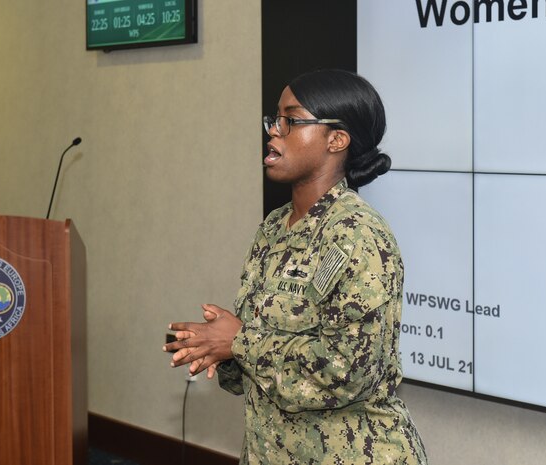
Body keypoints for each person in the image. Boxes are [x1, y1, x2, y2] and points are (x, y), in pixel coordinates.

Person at [164, 69, 428, 465]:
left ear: (336, 139)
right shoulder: (274, 226)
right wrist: (219, 347)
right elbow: (265, 352)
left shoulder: (358, 235)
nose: (273, 131)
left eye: (292, 121)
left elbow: (348, 371)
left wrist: (239, 342)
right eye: (275, 119)